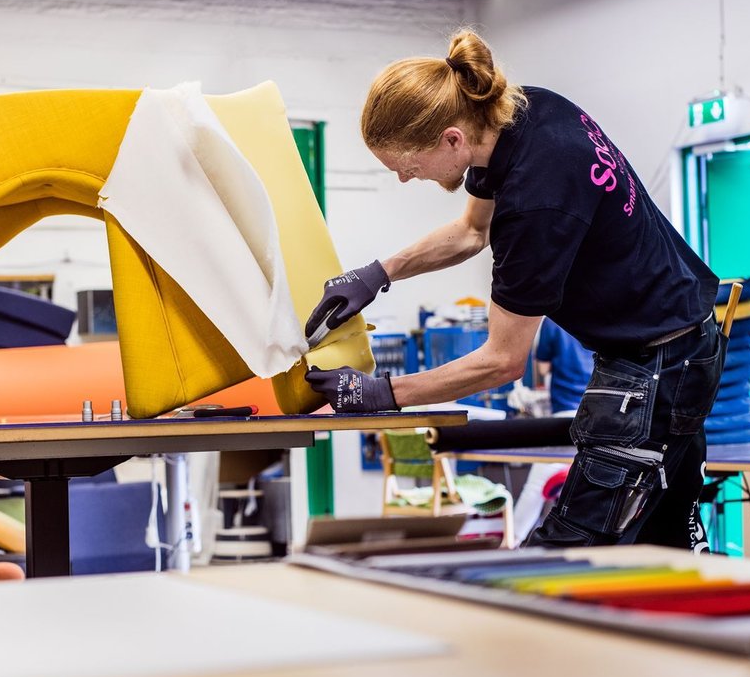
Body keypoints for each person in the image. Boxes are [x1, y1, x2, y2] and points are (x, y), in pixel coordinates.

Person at [303, 30, 723, 550]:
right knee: (666, 545)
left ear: (451, 139)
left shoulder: (535, 203)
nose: (406, 181)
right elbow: (471, 231)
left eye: (408, 167)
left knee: (567, 550)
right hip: (673, 341)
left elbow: (502, 362)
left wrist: (382, 394)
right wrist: (377, 274)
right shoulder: (519, 114)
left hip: (660, 361)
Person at [535, 319, 594, 416]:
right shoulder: (597, 317)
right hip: (595, 403)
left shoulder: (551, 321)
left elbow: (543, 369)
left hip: (563, 404)